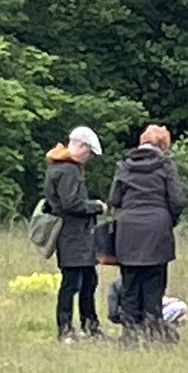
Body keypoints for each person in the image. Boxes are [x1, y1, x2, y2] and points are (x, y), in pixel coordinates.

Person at [108, 124, 184, 343]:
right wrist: (169, 220)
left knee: (130, 284)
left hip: (128, 230)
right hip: (157, 230)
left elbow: (114, 200)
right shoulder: (166, 165)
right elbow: (177, 200)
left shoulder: (124, 166)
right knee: (154, 284)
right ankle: (154, 333)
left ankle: (130, 335)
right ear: (163, 145)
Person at [43, 126, 107, 342]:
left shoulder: (58, 167)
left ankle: (89, 326)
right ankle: (67, 329)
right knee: (72, 283)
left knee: (88, 280)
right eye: (89, 153)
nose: (89, 158)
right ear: (80, 145)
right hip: (73, 235)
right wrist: (96, 206)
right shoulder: (68, 170)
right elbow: (71, 203)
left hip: (76, 236)